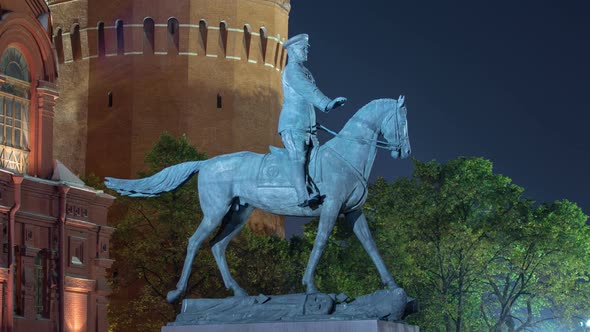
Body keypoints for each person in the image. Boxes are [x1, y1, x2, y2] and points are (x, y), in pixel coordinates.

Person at [279, 33, 347, 207]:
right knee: (299, 157)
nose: (306, 51)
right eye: (303, 48)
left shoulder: (304, 70)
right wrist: (327, 103)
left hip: (307, 125)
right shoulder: (293, 70)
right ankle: (302, 196)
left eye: (306, 48)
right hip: (293, 125)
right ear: (292, 51)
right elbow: (308, 90)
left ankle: (316, 189)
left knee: (316, 158)